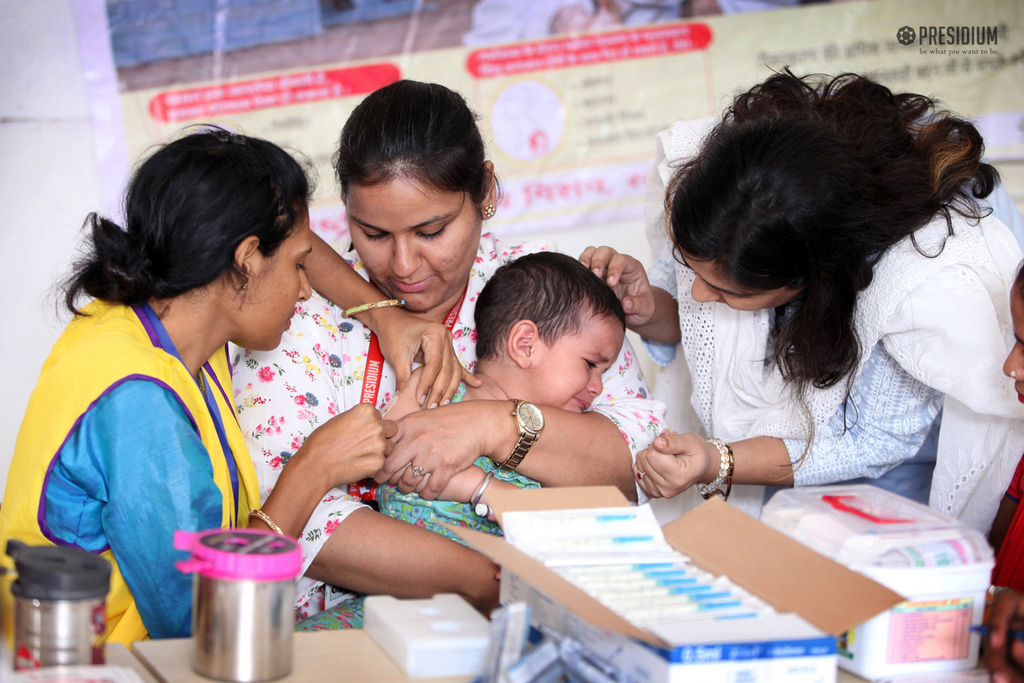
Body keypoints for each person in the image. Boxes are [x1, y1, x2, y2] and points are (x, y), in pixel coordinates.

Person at [232, 80, 666, 622]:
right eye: (373, 233)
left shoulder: (544, 287)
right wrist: (488, 580)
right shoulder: (296, 319)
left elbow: (636, 455)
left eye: (432, 230)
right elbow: (289, 508)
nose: (404, 265)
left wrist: (494, 427)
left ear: (484, 190)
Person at [0, 128, 400, 643]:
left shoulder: (160, 325)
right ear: (246, 260)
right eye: (299, 266)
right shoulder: (136, 400)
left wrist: (387, 318)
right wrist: (314, 469)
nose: (307, 288)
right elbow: (204, 623)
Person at [582, 71, 1024, 531]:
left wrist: (719, 461)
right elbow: (700, 326)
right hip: (767, 469)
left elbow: (871, 440)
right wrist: (648, 307)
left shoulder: (915, 286)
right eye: (691, 269)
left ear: (816, 280)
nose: (698, 293)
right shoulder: (730, 189)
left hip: (878, 498)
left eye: (730, 292)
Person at [377, 251, 627, 540]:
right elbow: (386, 454)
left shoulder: (557, 451)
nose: (598, 387)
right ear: (525, 345)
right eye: (591, 365)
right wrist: (482, 488)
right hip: (407, 568)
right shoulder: (438, 387)